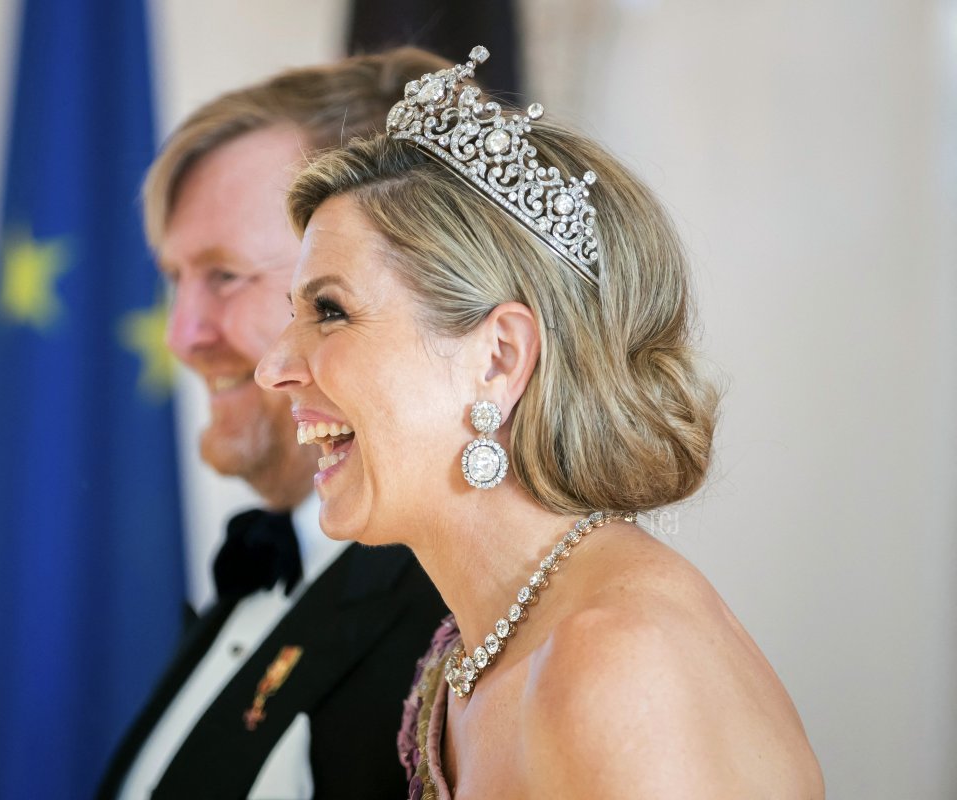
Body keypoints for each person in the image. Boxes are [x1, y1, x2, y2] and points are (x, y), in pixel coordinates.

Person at [256, 47, 825, 798]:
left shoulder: (612, 662)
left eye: (330, 311)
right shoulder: (465, 656)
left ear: (498, 357)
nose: (272, 367)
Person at [95, 49, 453, 800]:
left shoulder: (456, 628)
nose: (181, 333)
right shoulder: (251, 578)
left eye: (225, 275)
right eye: (174, 280)